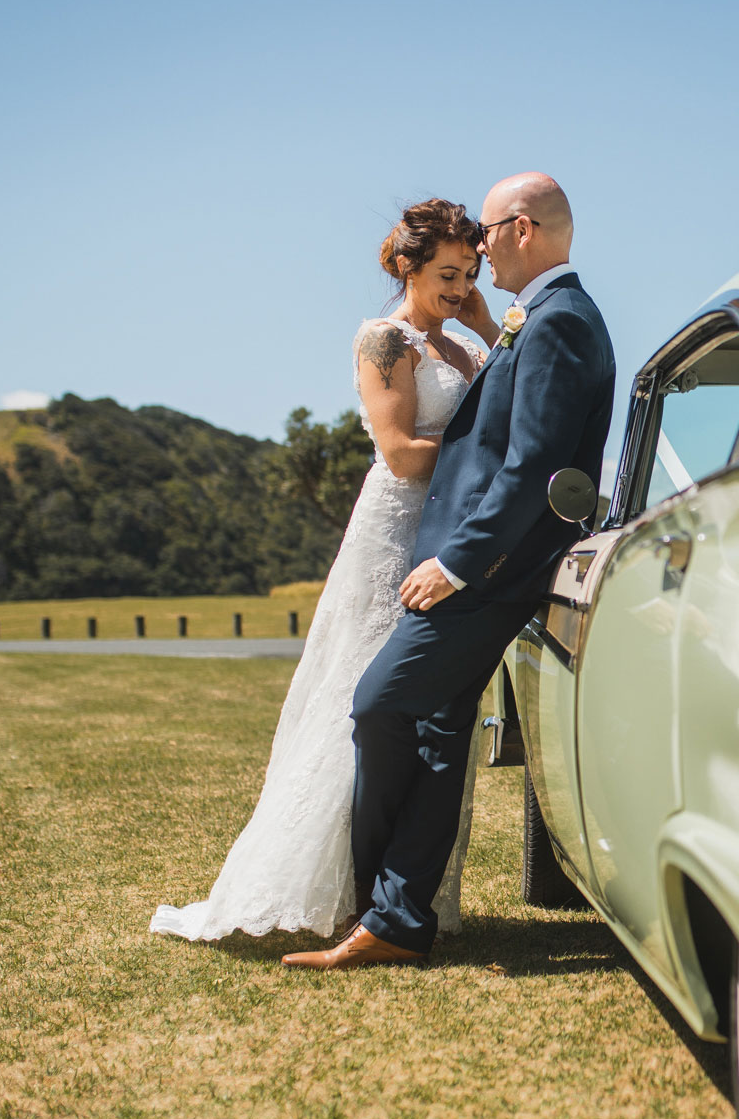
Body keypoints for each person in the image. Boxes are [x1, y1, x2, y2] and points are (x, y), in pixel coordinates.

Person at [283, 172, 615, 970]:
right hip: (470, 555)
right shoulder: (534, 319)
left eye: (490, 234)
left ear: (522, 229)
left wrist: (458, 565)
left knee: (378, 704)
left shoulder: (558, 322)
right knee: (436, 728)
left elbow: (532, 463)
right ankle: (396, 920)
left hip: (487, 568)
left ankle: (380, 903)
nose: (481, 251)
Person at [151, 198, 502, 942]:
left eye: (469, 273)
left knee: (430, 713)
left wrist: (480, 321)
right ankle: (337, 890)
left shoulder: (470, 351)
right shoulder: (382, 340)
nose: (458, 284)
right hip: (393, 531)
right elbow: (404, 451)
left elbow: (514, 397)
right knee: (362, 698)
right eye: (446, 272)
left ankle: (402, 892)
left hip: (447, 533)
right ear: (406, 264)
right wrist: (494, 467)